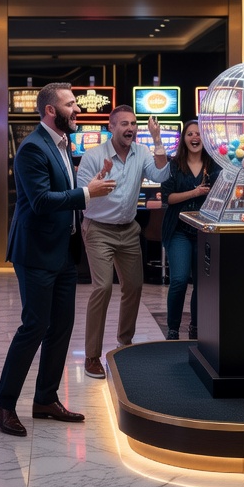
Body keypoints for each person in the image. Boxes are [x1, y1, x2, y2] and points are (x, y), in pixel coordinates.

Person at [0, 81, 115, 438]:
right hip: (36, 252)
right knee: (34, 327)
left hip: (63, 251)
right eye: (71, 104)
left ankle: (45, 398)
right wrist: (86, 192)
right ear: (51, 110)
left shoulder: (63, 144)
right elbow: (42, 201)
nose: (78, 109)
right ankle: (3, 404)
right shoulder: (32, 147)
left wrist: (91, 185)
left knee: (60, 329)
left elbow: (65, 190)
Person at [75, 105, 169, 378]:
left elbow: (162, 175)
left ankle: (124, 343)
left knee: (134, 286)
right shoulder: (93, 156)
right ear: (111, 127)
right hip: (98, 229)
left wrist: (157, 140)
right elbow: (82, 195)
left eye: (134, 124)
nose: (130, 128)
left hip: (128, 229)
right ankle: (92, 356)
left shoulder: (141, 151)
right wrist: (101, 177)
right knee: (103, 288)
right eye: (124, 123)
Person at [161, 119, 216, 341]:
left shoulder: (214, 165)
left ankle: (196, 327)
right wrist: (194, 193)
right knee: (180, 280)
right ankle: (173, 329)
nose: (195, 138)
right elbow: (168, 198)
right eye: (190, 134)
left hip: (206, 231)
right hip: (178, 230)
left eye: (199, 134)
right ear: (184, 139)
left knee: (202, 284)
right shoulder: (173, 165)